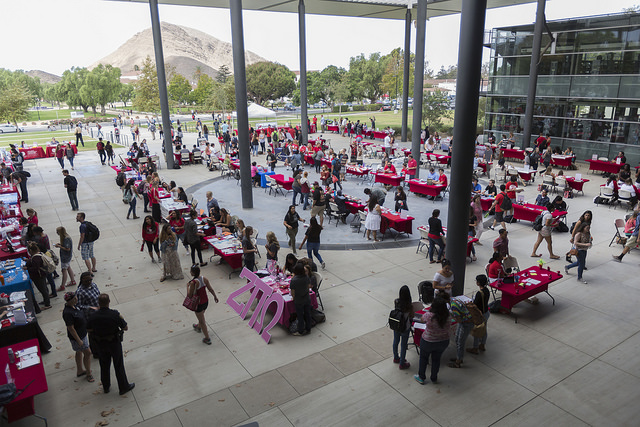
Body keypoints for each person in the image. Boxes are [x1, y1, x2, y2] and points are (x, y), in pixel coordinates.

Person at [87, 294, 134, 395]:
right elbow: (125, 327)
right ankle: (123, 387)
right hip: (114, 343)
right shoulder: (114, 315)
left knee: (104, 365)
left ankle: (106, 387)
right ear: (109, 302)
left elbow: (89, 329)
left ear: (98, 303)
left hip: (100, 344)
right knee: (118, 365)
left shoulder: (93, 316)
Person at [414, 296, 451, 385]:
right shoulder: (448, 315)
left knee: (423, 358)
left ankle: (421, 377)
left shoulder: (429, 315)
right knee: (436, 359)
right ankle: (434, 377)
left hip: (428, 341)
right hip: (443, 341)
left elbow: (422, 320)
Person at [63, 292, 94, 383]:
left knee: (79, 352)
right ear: (69, 301)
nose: (76, 300)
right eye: (74, 299)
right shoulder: (67, 313)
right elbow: (71, 328)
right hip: (78, 337)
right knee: (88, 353)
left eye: (76, 298)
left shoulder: (75, 306)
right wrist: (78, 340)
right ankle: (88, 374)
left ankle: (80, 370)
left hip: (82, 333)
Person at [187, 265, 219, 345]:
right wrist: (215, 296)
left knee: (202, 321)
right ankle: (198, 326)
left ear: (193, 273)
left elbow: (190, 295)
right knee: (201, 315)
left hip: (198, 304)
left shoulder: (193, 283)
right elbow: (210, 289)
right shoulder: (204, 279)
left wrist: (187, 287)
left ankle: (207, 338)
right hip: (206, 302)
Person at [449, 293, 474, 369]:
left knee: (460, 342)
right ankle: (459, 357)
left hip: (466, 324)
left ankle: (458, 362)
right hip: (463, 322)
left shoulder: (453, 306)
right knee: (457, 339)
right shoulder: (454, 299)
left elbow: (459, 320)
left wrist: (452, 316)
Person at [392, 285, 413, 370]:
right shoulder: (409, 305)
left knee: (396, 341)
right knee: (403, 345)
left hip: (397, 325)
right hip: (405, 327)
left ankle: (396, 357)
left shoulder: (396, 301)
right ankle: (402, 363)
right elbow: (411, 316)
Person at [24, 243, 51, 309]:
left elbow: (35, 268)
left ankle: (47, 304)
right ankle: (46, 300)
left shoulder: (35, 259)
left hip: (38, 276)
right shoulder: (39, 254)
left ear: (30, 251)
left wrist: (27, 268)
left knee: (43, 289)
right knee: (44, 288)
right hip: (42, 274)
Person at [290, 262, 313, 336]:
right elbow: (309, 286)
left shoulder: (294, 280)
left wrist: (293, 297)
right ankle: (308, 328)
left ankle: (301, 330)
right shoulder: (306, 277)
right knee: (307, 314)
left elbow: (292, 292)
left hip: (298, 300)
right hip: (306, 298)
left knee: (300, 316)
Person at [55, 226, 76, 291]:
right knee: (68, 267)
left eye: (57, 232)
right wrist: (60, 245)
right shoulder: (66, 237)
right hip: (67, 257)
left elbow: (67, 248)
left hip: (65, 257)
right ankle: (73, 281)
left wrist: (59, 246)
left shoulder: (66, 239)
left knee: (64, 270)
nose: (57, 233)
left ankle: (62, 286)